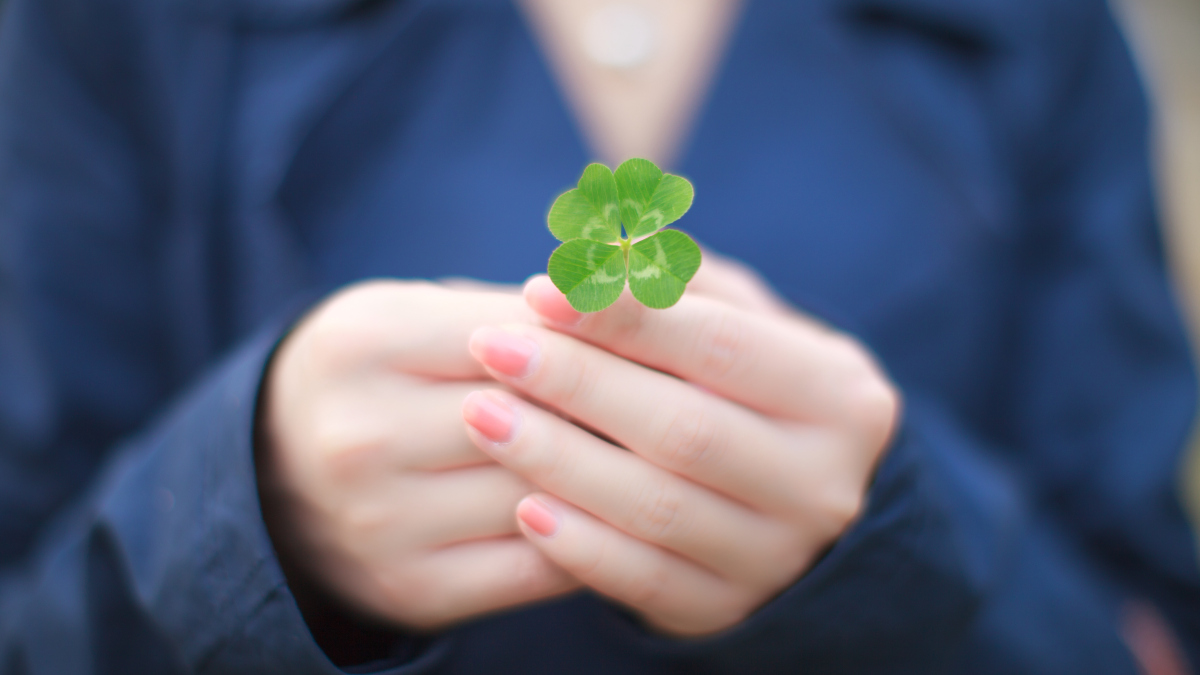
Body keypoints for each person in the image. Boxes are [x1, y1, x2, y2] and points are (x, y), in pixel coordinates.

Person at [0, 0, 1197, 673]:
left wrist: (900, 546)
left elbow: (1143, 622)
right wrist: (243, 521)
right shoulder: (111, 25)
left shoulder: (1040, 29)